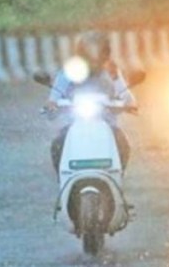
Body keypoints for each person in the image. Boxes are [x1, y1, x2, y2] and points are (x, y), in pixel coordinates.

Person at [45, 31, 136, 174]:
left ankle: (117, 180)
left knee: (123, 144)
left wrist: (127, 103)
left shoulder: (112, 71)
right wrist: (52, 106)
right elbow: (54, 99)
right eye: (90, 53)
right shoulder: (69, 71)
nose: (95, 58)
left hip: (108, 126)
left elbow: (128, 99)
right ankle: (63, 181)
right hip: (74, 127)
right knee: (58, 144)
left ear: (106, 53)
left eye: (99, 53)